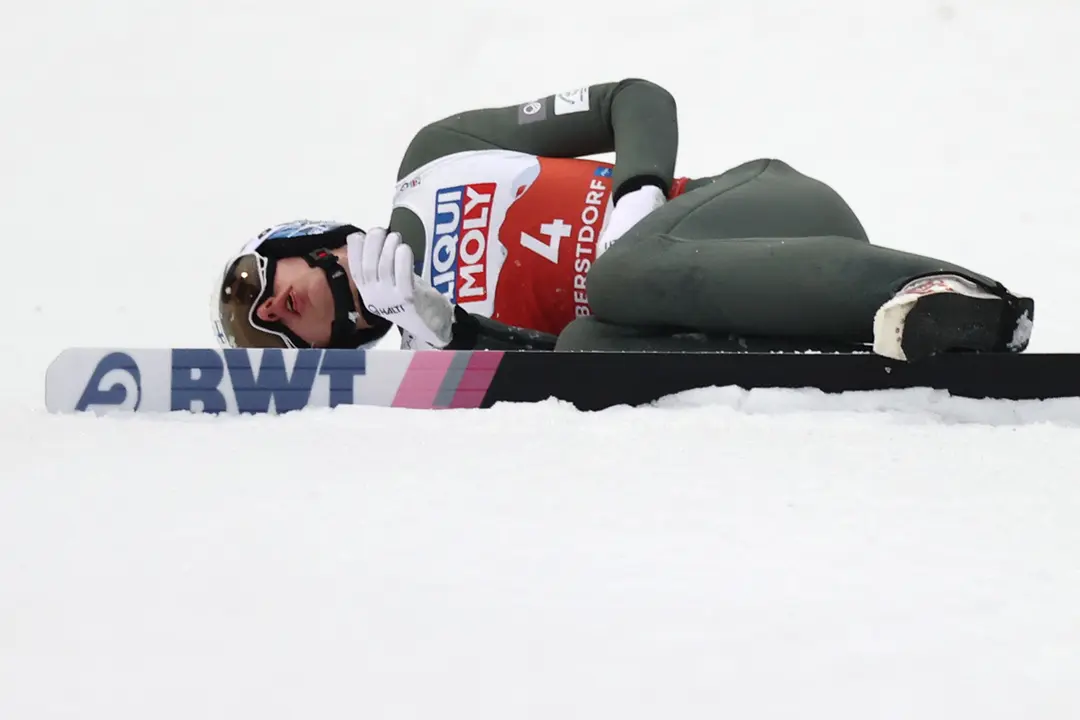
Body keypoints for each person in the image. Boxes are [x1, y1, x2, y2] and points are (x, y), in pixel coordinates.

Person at [213, 78, 1034, 362]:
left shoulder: (435, 159)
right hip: (735, 314)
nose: (271, 313)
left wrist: (637, 195)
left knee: (615, 273)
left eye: (252, 287)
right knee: (583, 348)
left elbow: (636, 99)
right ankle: (901, 329)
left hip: (760, 212)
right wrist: (452, 333)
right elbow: (577, 377)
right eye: (265, 338)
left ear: (291, 244)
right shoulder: (430, 347)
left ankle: (943, 286)